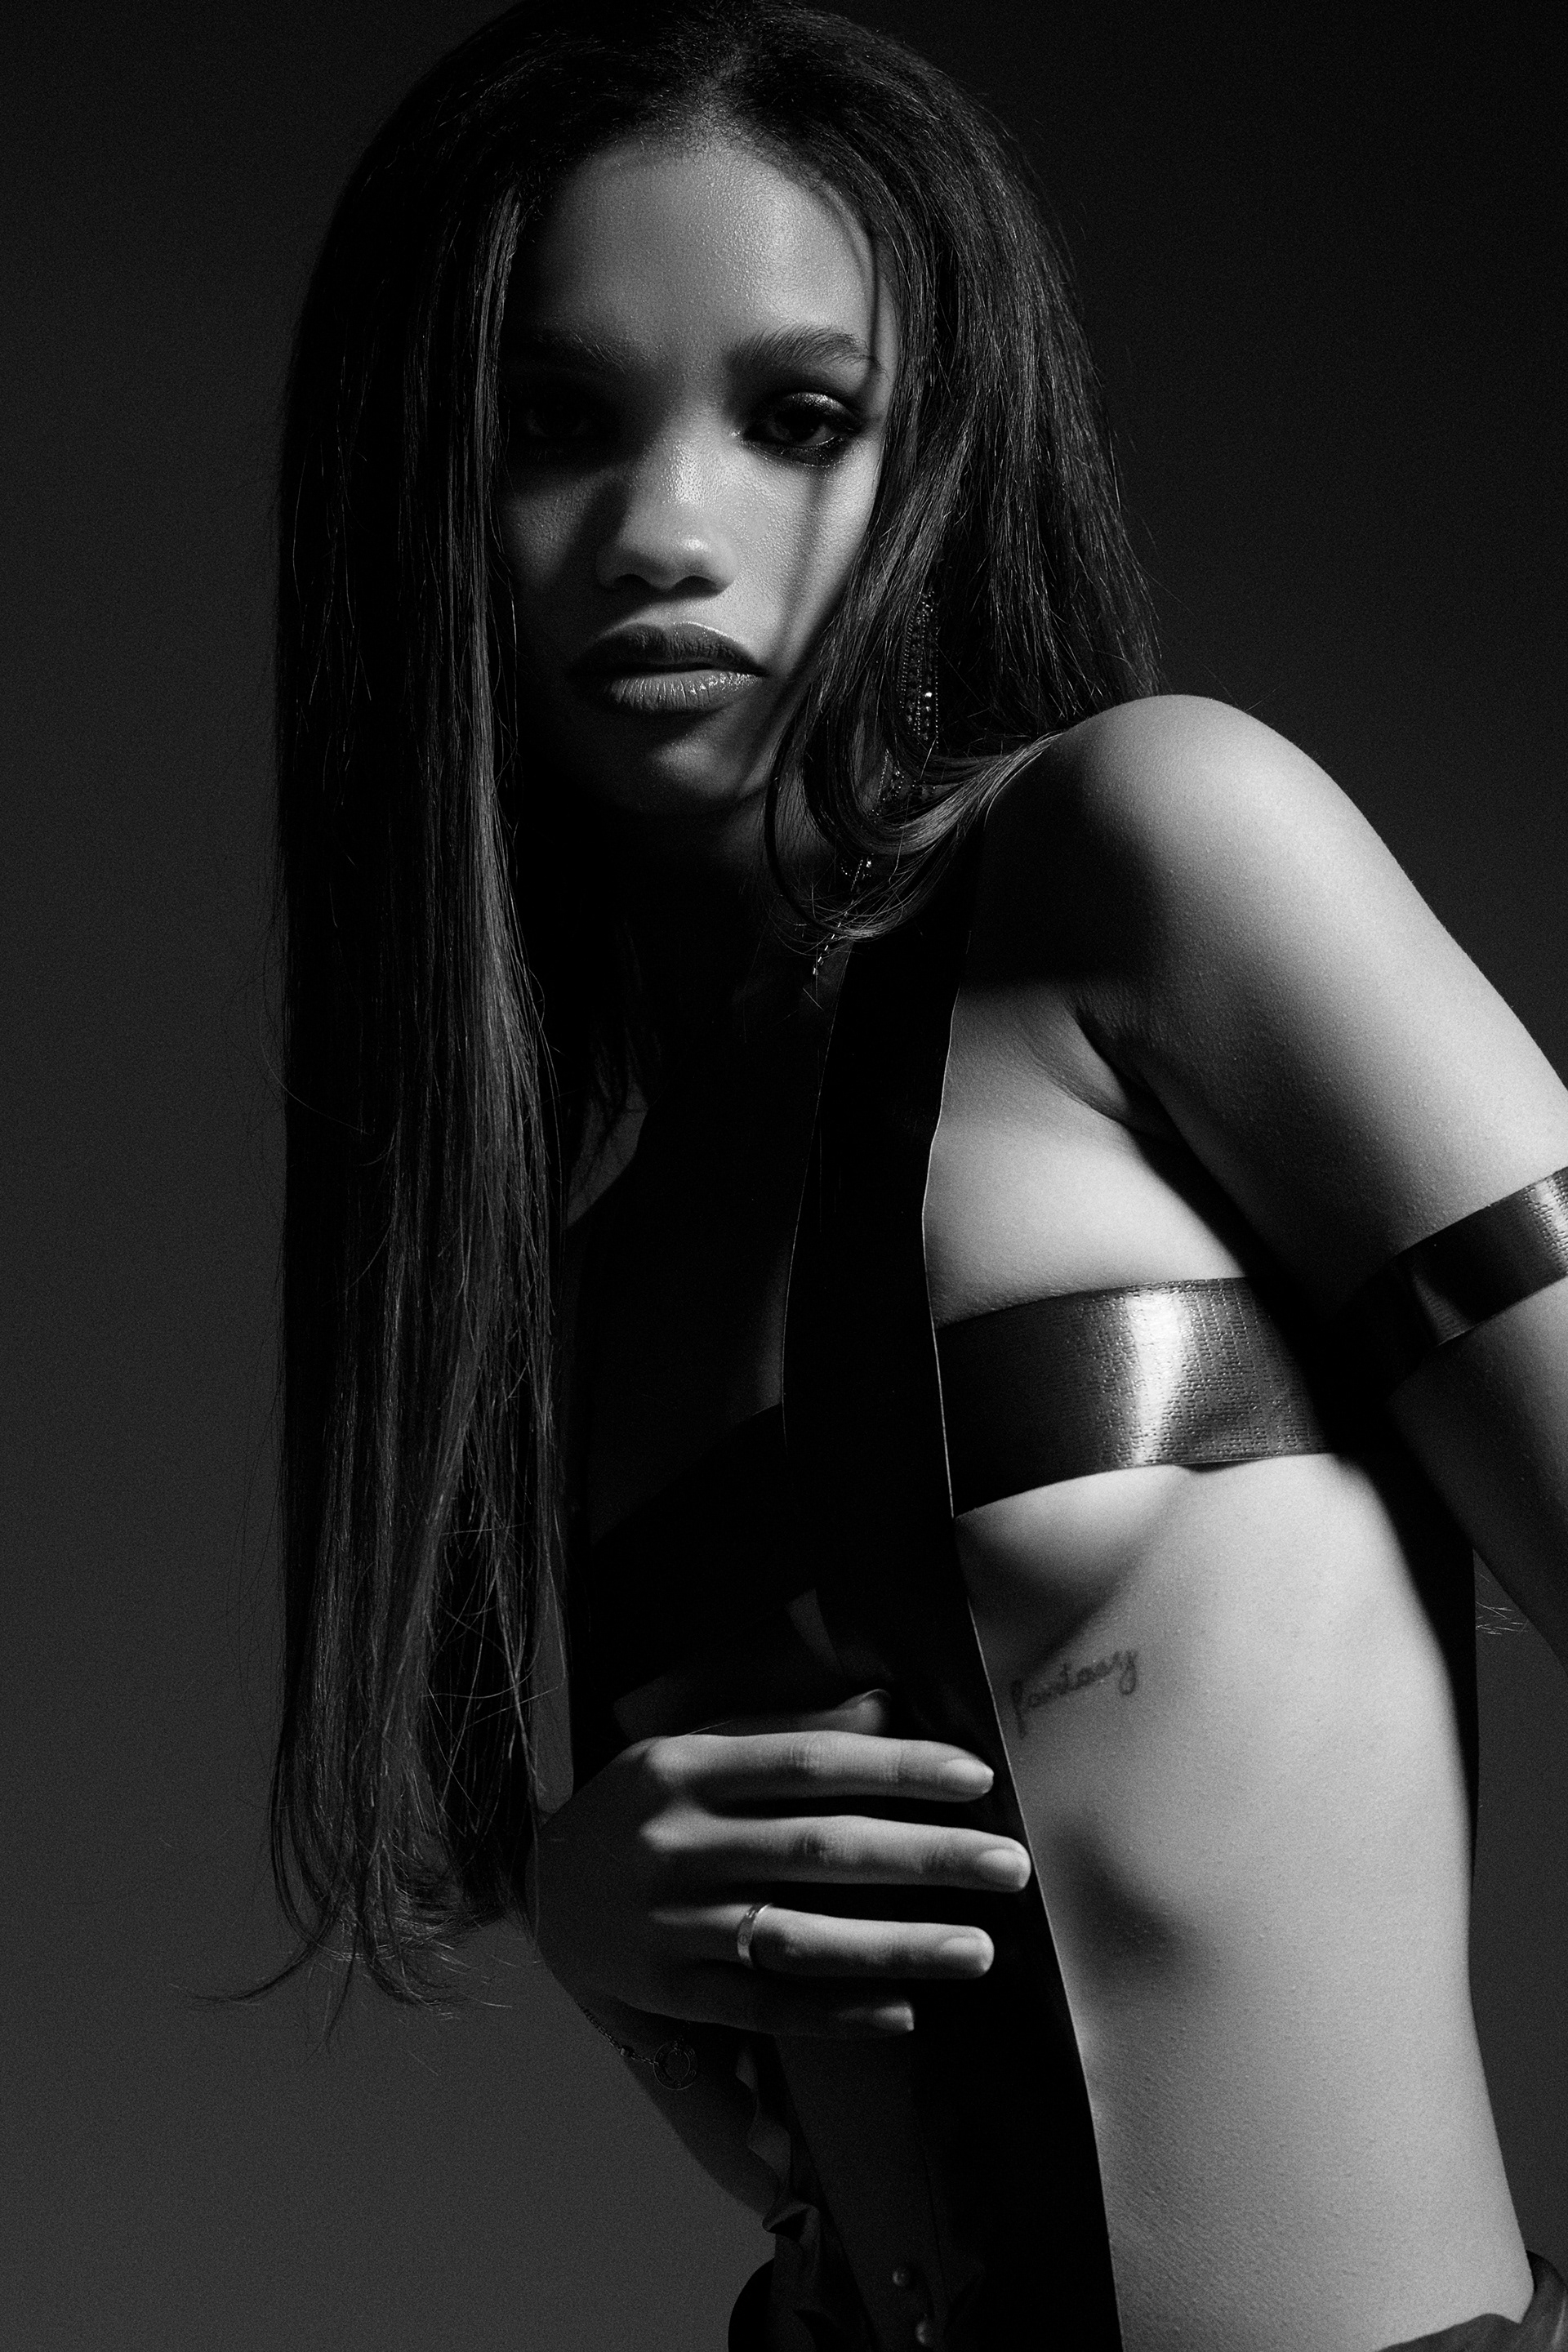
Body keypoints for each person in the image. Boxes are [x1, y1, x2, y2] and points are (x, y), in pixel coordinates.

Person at [266, 3, 1568, 2345]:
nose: (664, 535)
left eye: (799, 417)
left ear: (944, 451)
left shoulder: (1151, 850)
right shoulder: (584, 1263)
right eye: (551, 422)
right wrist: (593, 1911)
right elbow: (800, 2125)